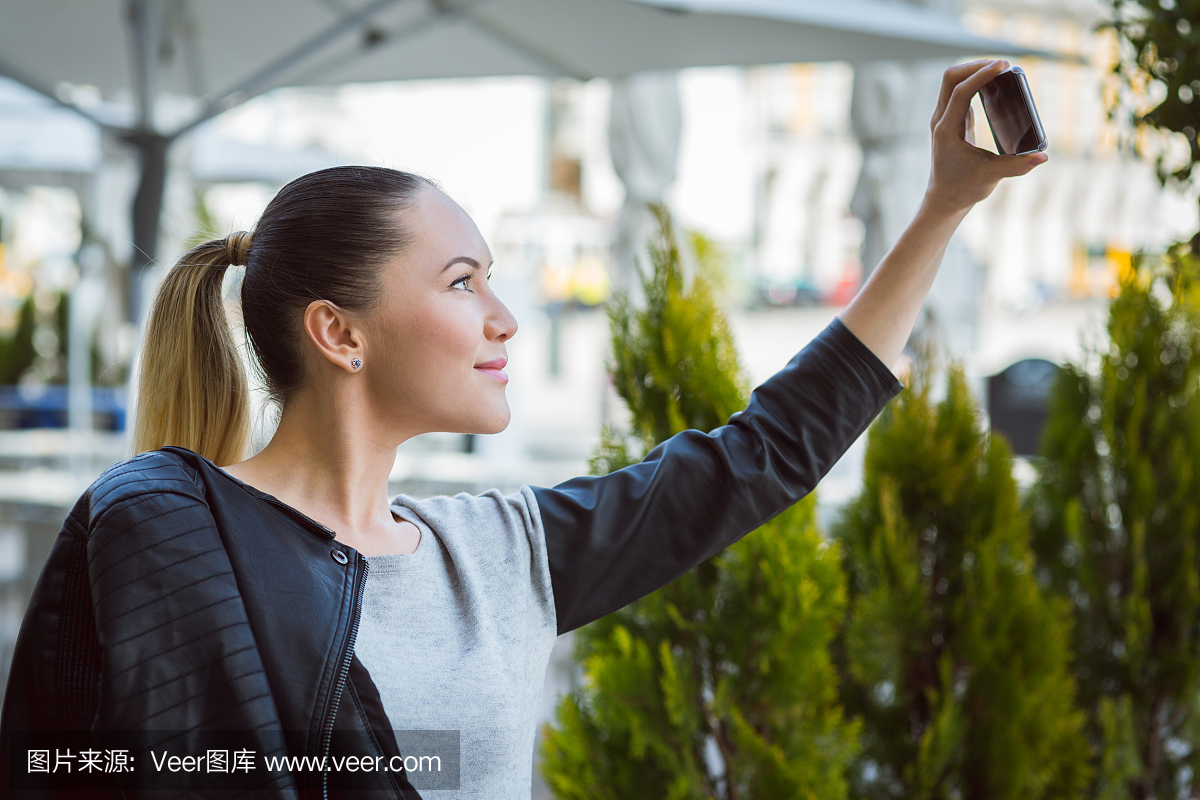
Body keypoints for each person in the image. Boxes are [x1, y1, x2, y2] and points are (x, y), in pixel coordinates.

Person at [0, 59, 1045, 798]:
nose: (506, 318)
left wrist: (942, 208)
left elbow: (761, 454)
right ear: (339, 332)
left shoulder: (498, 551)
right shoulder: (166, 525)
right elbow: (63, 766)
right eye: (464, 282)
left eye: (495, 278)